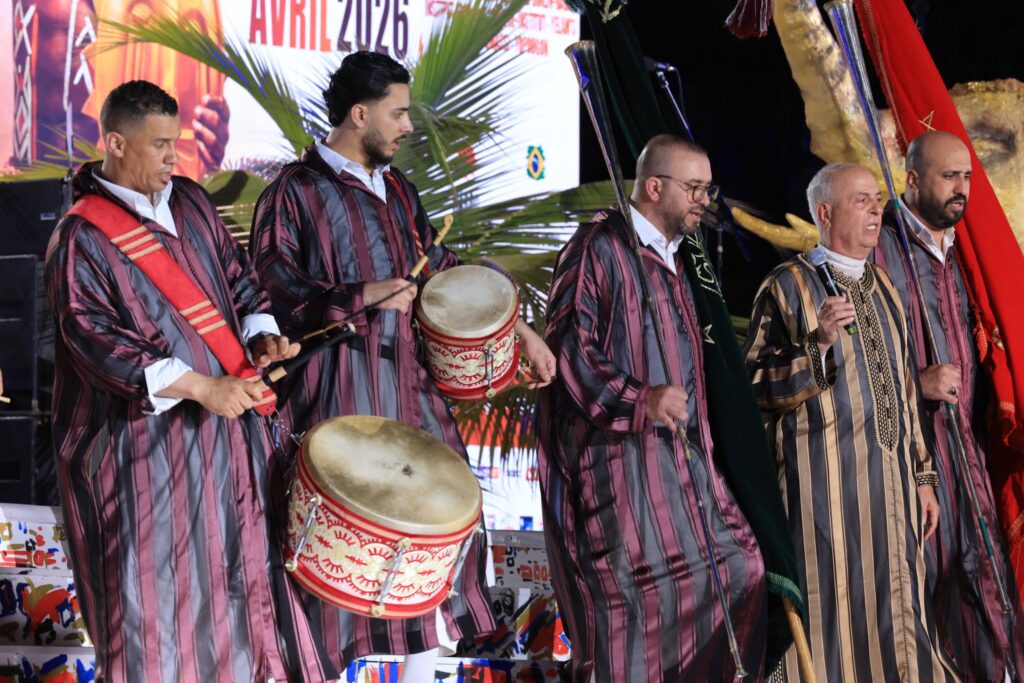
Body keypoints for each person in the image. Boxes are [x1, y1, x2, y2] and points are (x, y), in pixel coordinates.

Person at [250, 51, 556, 681]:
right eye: (398, 113)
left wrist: (520, 329)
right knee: (333, 556)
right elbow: (267, 287)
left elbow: (441, 271)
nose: (408, 126)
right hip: (333, 391)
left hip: (408, 388)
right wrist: (358, 296)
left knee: (440, 534)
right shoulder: (294, 191)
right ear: (359, 115)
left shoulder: (400, 193)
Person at [45, 80, 327, 682]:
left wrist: (260, 335)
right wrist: (202, 387)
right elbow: (93, 337)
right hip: (141, 457)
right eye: (160, 145)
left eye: (176, 143)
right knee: (154, 607)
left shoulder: (193, 202)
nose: (174, 157)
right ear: (116, 144)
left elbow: (239, 279)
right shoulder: (80, 236)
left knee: (242, 593)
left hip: (227, 442)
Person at [536, 134, 767, 682]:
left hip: (683, 467)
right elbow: (567, 345)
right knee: (630, 616)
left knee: (741, 569)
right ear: (655, 186)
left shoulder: (679, 261)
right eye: (694, 188)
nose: (703, 201)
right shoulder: (598, 245)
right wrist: (641, 398)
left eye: (708, 190)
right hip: (616, 469)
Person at [743, 162, 956, 682]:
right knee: (830, 618)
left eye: (877, 199)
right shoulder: (787, 285)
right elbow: (752, 388)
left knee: (899, 614)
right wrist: (816, 345)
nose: (876, 209)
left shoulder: (884, 286)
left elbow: (903, 391)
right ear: (824, 212)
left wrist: (923, 477)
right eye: (861, 200)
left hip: (893, 491)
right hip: (824, 494)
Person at [872, 130, 1024, 681]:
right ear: (912, 179)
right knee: (924, 592)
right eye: (948, 176)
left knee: (988, 582)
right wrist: (915, 382)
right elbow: (850, 356)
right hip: (909, 455)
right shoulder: (878, 249)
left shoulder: (969, 253)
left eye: (967, 177)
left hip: (971, 449)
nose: (961, 189)